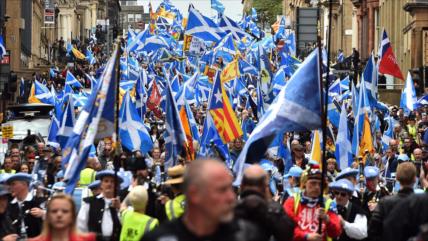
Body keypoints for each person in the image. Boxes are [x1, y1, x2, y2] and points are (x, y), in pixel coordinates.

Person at [141, 158, 261, 241]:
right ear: (194, 194)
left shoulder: (247, 235)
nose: (231, 197)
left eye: (231, 188)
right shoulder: (159, 238)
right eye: (222, 190)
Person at [235, 164, 294, 241]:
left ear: (242, 186)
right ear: (265, 186)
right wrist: (271, 203)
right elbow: (287, 235)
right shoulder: (273, 210)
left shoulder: (229, 209)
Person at [283, 166, 342, 241]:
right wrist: (305, 236)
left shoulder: (328, 203)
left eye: (320, 184)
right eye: (313, 183)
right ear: (304, 184)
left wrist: (327, 219)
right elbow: (285, 227)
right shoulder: (292, 201)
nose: (317, 187)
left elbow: (336, 232)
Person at [369, 162, 417, 241]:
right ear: (415, 179)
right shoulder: (422, 202)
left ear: (397, 178)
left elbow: (373, 231)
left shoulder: (384, 202)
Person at [77, 170, 122, 241]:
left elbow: (125, 226)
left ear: (117, 185)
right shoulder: (89, 203)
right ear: (101, 184)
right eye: (106, 181)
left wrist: (120, 209)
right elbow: (80, 227)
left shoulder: (122, 204)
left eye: (112, 182)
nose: (109, 184)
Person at [28, 194, 96, 241]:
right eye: (54, 211)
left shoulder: (89, 239)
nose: (59, 215)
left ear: (72, 216)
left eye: (65, 211)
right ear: (47, 215)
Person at [6, 173, 46, 239]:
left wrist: (43, 213)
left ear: (24, 184)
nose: (10, 187)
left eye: (13, 184)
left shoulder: (37, 201)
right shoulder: (9, 205)